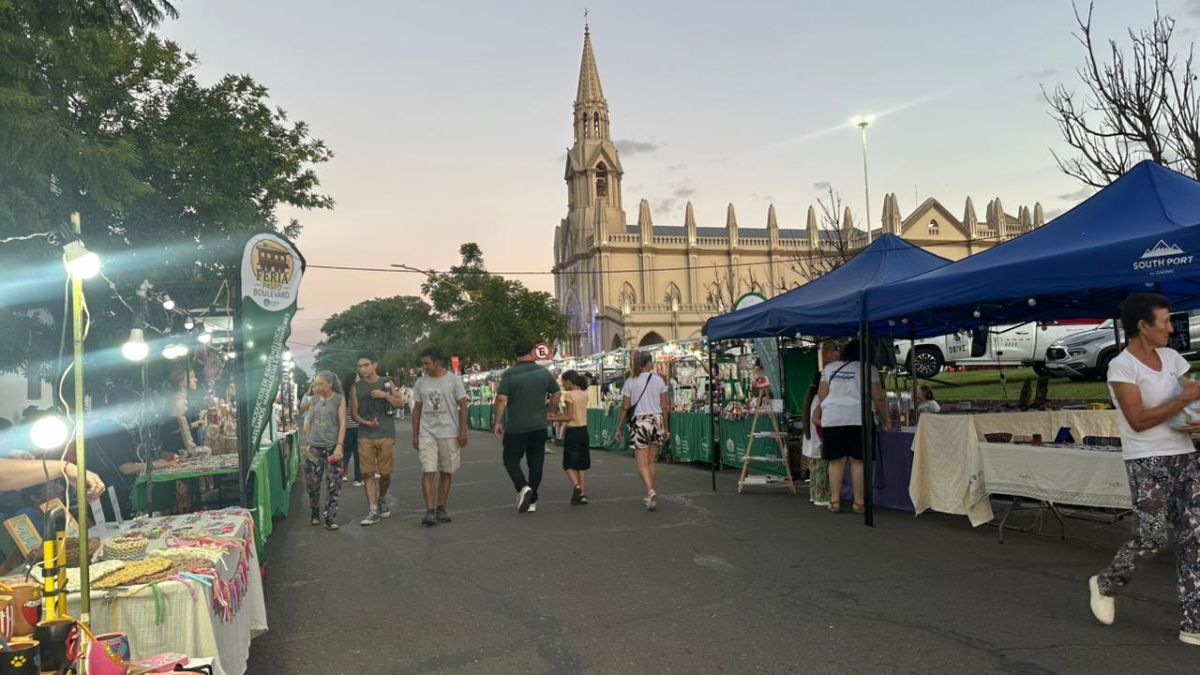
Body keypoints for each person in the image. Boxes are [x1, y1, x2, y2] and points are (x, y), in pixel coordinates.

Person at [1089, 293, 1200, 646]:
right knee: (1152, 535)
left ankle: (1193, 623)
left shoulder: (1171, 358)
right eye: (1164, 322)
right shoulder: (1122, 366)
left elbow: (1193, 398)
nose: (1171, 328)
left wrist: (1195, 418)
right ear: (1143, 326)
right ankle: (1106, 583)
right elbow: (1137, 420)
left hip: (1185, 455)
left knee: (1194, 538)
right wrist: (1182, 401)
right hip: (1146, 459)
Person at [812, 339, 892, 514]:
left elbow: (822, 395)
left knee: (836, 461)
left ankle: (835, 501)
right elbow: (878, 397)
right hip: (860, 417)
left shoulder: (829, 369)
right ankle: (859, 503)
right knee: (858, 461)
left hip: (833, 418)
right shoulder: (868, 369)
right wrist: (886, 419)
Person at [493, 341, 560, 514]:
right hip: (538, 426)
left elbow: (501, 399)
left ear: (516, 354)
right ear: (532, 352)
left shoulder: (509, 374)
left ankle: (523, 487)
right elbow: (556, 392)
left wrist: (497, 422)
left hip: (516, 426)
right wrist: (551, 411)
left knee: (510, 461)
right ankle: (532, 500)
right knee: (536, 463)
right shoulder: (542, 371)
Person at [411, 347, 469, 527]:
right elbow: (417, 408)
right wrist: (415, 434)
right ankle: (429, 511)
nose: (425, 366)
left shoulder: (453, 380)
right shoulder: (421, 383)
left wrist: (463, 430)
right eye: (423, 363)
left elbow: (463, 406)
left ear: (437, 362)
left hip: (449, 432)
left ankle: (441, 507)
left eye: (427, 363)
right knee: (428, 470)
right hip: (427, 433)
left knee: (446, 471)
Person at [350, 353, 403, 526]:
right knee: (367, 473)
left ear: (375, 365)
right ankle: (372, 510)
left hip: (386, 432)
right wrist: (365, 422)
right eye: (360, 366)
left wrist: (385, 395)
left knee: (386, 473)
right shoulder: (356, 387)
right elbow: (354, 412)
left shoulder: (386, 382)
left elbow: (400, 403)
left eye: (366, 365)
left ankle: (381, 498)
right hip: (365, 434)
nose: (362, 369)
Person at [617, 351, 670, 511]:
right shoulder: (659, 380)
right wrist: (666, 427)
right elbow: (664, 406)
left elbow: (625, 407)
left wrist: (619, 427)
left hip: (640, 422)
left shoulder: (630, 382)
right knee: (651, 461)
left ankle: (650, 491)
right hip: (657, 420)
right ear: (647, 363)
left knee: (641, 463)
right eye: (651, 361)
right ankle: (650, 494)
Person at [303, 371, 346, 530]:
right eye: (316, 384)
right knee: (312, 483)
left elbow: (342, 424)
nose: (317, 387)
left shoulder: (339, 399)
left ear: (330, 384)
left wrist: (339, 446)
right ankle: (315, 511)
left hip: (332, 447)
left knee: (334, 484)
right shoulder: (313, 400)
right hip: (314, 447)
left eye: (320, 384)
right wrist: (306, 442)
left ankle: (330, 517)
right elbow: (309, 421)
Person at [553, 370, 591, 505]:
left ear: (569, 381)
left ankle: (576, 486)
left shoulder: (569, 395)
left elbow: (570, 416)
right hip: (583, 430)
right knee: (582, 464)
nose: (563, 384)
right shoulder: (585, 394)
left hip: (573, 431)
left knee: (568, 463)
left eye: (563, 381)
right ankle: (582, 494)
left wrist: (555, 418)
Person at [801, 370, 830, 508]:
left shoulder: (810, 397)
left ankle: (813, 495)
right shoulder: (820, 399)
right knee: (822, 470)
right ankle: (822, 497)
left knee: (813, 471)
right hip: (818, 441)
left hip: (809, 441)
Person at [341, 372, 362, 486]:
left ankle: (342, 475)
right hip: (357, 426)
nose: (359, 379)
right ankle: (358, 479)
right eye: (357, 377)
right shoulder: (357, 393)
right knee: (357, 454)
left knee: (346, 453)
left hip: (347, 427)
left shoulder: (342, 395)